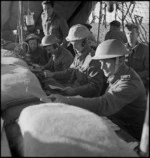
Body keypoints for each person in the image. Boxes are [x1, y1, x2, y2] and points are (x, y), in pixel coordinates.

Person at [49, 39, 147, 141]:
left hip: (130, 132)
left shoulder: (129, 83)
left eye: (106, 63)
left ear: (121, 61)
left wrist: (67, 101)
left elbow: (104, 104)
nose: (102, 67)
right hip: (116, 120)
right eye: (101, 62)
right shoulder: (116, 73)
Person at [43, 24, 106, 97]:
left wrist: (75, 91)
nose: (73, 47)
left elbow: (95, 87)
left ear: (85, 41)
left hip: (87, 99)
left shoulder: (93, 59)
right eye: (72, 43)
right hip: (75, 92)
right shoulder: (79, 56)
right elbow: (70, 71)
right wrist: (53, 74)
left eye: (75, 43)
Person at [124, 23, 149, 92]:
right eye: (127, 34)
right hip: (124, 80)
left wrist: (134, 75)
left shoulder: (145, 50)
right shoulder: (122, 49)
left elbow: (147, 71)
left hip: (140, 81)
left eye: (132, 33)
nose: (130, 36)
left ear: (138, 34)